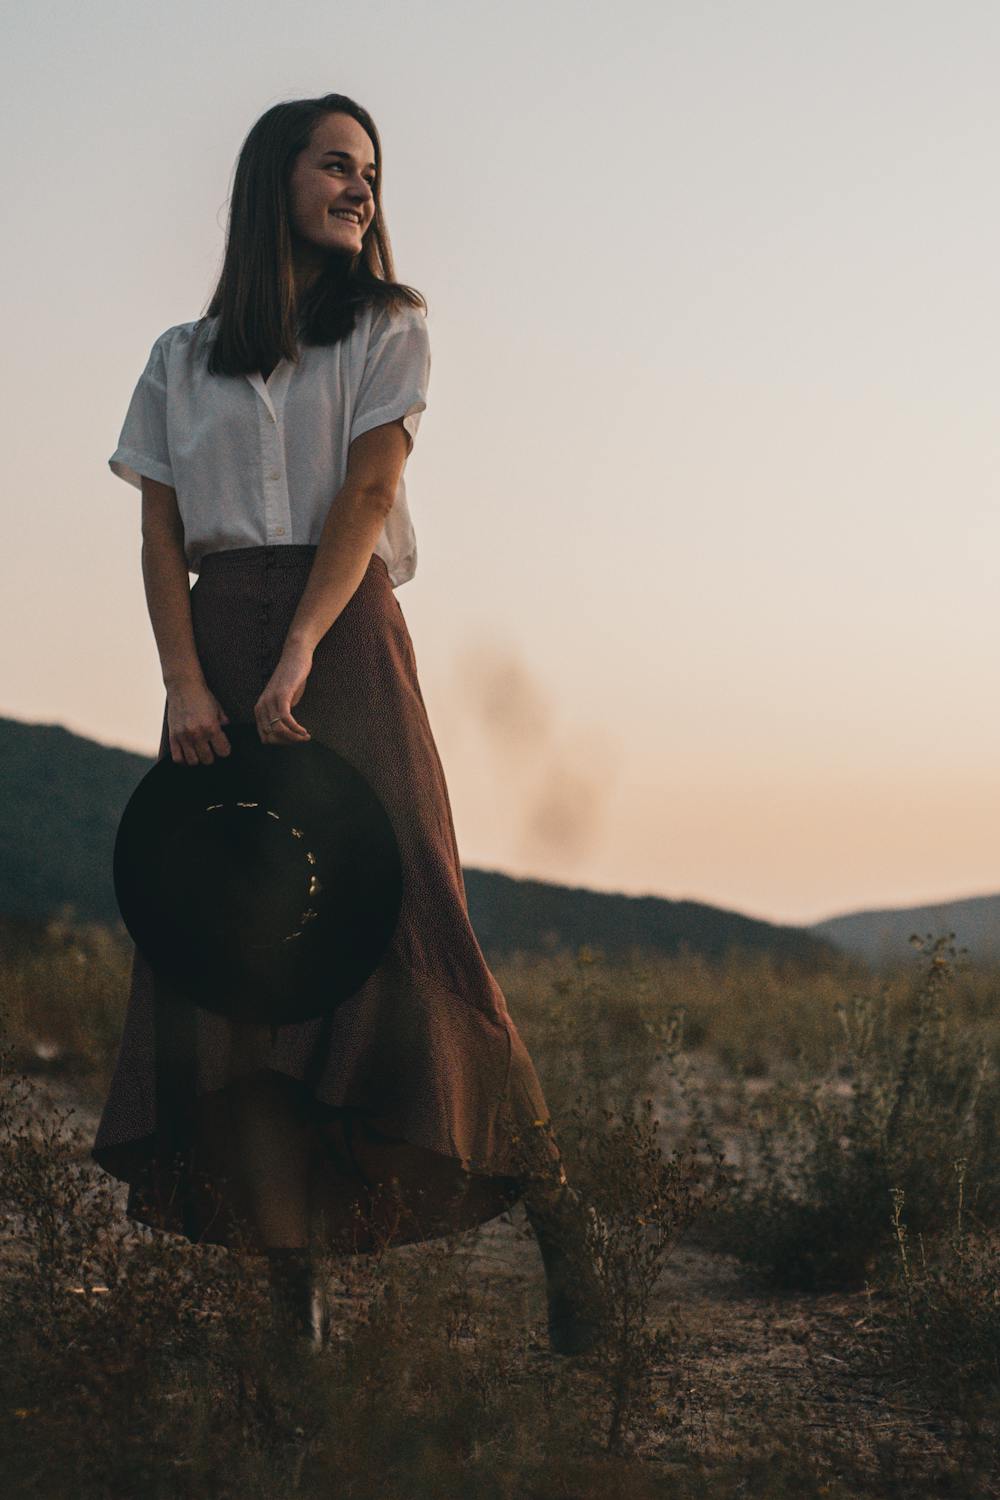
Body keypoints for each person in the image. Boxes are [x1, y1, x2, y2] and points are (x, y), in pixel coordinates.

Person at [91, 92, 603, 1356]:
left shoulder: (387, 326)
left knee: (411, 915)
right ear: (276, 179)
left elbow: (370, 492)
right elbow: (158, 536)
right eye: (335, 163)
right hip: (219, 641)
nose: (360, 186)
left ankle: (561, 1221)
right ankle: (292, 1295)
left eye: (371, 169)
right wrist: (184, 681)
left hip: (348, 634)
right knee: (235, 954)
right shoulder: (176, 357)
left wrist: (307, 650)